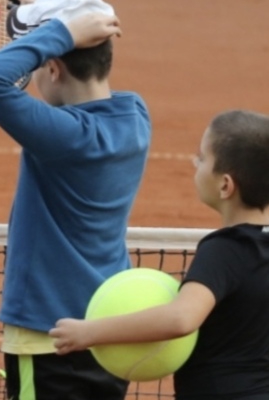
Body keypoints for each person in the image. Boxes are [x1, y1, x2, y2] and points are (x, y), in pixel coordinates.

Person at [0, 0, 151, 399]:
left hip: (48, 336)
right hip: (107, 328)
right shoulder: (135, 116)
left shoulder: (65, 136)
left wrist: (63, 30)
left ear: (52, 68)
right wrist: (61, 24)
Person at [50, 109, 269, 399]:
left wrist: (90, 332)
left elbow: (181, 318)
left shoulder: (224, 250)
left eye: (202, 159)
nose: (195, 164)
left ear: (225, 185)